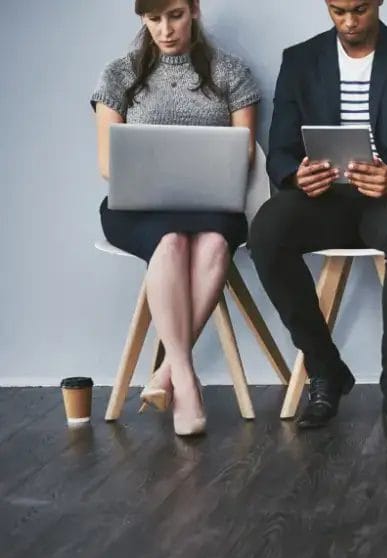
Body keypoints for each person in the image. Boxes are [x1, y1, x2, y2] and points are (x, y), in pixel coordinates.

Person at [249, 0, 387, 437]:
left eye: (360, 10)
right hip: (324, 200)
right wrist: (297, 174)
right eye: (338, 11)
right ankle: (326, 371)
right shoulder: (300, 59)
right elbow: (280, 151)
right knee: (267, 229)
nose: (349, 22)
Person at [92, 0, 261, 437]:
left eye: (175, 16)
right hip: (139, 206)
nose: (165, 30)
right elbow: (110, 163)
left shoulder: (231, 73)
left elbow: (242, 152)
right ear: (143, 20)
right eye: (154, 19)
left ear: (195, 11)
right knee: (169, 242)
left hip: (212, 203)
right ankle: (185, 380)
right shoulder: (119, 75)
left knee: (214, 243)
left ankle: (167, 370)